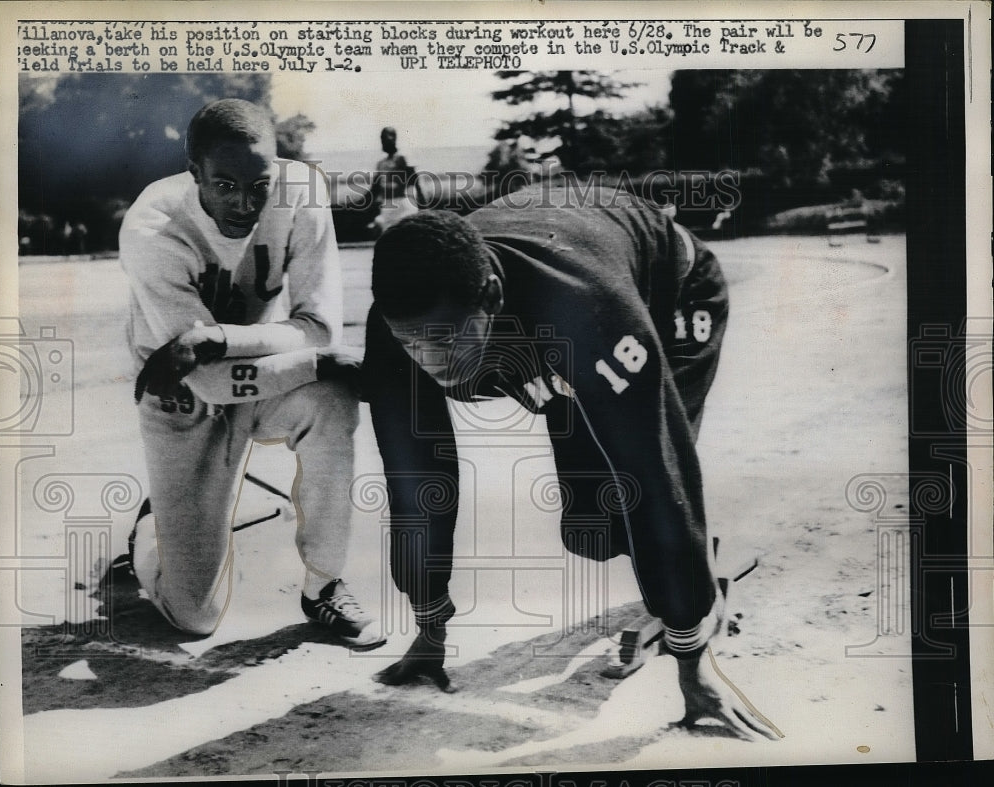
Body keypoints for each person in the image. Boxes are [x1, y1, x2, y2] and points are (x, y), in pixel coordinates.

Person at [362, 186, 779, 739]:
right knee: (592, 532)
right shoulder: (401, 324)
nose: (437, 366)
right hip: (555, 295)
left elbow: (653, 476)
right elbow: (414, 481)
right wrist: (429, 626)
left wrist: (691, 659)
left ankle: (696, 596)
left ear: (489, 296)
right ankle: (685, 577)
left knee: (637, 498)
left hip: (670, 294)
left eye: (448, 340)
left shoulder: (587, 308)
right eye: (415, 346)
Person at [115, 98, 384, 650]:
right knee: (194, 617)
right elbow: (210, 380)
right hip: (183, 399)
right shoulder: (153, 225)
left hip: (267, 376)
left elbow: (320, 328)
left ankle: (324, 584)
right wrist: (310, 355)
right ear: (195, 176)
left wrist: (219, 338)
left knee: (332, 395)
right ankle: (151, 529)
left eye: (259, 184)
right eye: (225, 185)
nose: (245, 202)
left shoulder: (302, 192)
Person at [366, 126, 419, 236]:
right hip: (387, 206)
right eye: (381, 139)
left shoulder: (403, 158)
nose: (383, 142)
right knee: (388, 242)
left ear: (393, 138)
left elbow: (415, 180)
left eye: (385, 138)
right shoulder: (381, 164)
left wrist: (424, 206)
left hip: (403, 204)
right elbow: (375, 189)